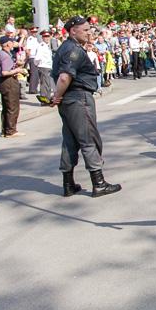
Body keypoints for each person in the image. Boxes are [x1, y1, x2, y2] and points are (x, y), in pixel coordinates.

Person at [51, 16, 122, 198]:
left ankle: (68, 184)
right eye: (86, 30)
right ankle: (98, 183)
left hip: (70, 99)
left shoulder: (64, 48)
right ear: (73, 30)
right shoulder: (73, 50)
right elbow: (65, 77)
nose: (89, 33)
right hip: (78, 98)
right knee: (88, 139)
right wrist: (57, 96)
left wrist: (58, 96)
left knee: (70, 141)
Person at [0, 36, 26, 138]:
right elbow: (5, 72)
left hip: (1, 82)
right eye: (11, 42)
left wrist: (15, 65)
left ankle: (4, 130)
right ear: (7, 44)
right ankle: (11, 131)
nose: (13, 43)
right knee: (12, 106)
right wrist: (18, 70)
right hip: (8, 81)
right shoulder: (5, 55)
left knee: (6, 107)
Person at [35, 30, 55, 103]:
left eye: (48, 36)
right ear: (42, 37)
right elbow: (37, 58)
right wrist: (38, 65)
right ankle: (44, 100)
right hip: (43, 66)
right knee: (44, 84)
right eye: (45, 36)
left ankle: (48, 99)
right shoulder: (42, 45)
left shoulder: (47, 46)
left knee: (48, 84)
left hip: (48, 66)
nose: (47, 38)